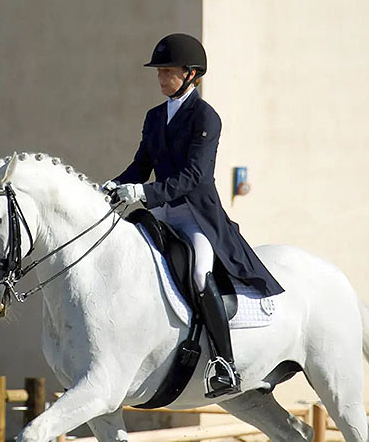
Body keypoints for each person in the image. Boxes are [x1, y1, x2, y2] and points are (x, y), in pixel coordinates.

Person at [104, 33, 284, 398]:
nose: (160, 77)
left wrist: (144, 193)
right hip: (161, 213)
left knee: (201, 274)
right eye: (159, 72)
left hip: (196, 217)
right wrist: (113, 186)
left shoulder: (205, 117)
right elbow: (141, 165)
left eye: (167, 71)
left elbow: (194, 177)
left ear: (191, 74)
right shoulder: (155, 117)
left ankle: (224, 363)